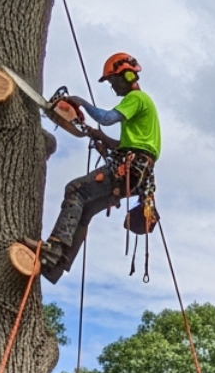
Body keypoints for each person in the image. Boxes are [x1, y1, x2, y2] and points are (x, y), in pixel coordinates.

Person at [34, 52, 161, 283]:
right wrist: (99, 136)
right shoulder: (141, 107)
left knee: (76, 190)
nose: (113, 87)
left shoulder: (137, 98)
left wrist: (81, 102)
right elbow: (129, 144)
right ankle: (55, 266)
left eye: (114, 81)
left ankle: (53, 249)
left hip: (131, 169)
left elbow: (107, 117)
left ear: (128, 75)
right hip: (138, 176)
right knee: (87, 209)